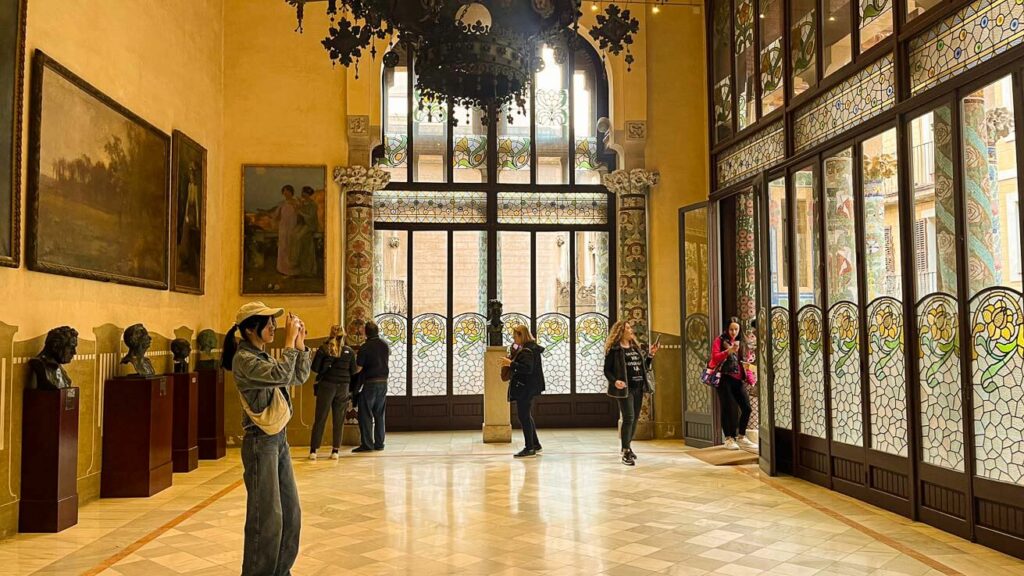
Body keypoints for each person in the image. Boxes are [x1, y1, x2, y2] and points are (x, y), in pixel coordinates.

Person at [222, 302, 310, 576]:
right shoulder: (245, 360)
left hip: (278, 440)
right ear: (250, 329)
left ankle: (280, 572)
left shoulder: (262, 355)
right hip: (261, 443)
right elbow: (282, 374)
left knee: (291, 515)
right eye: (268, 322)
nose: (274, 326)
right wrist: (287, 344)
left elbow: (297, 377)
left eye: (274, 322)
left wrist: (300, 345)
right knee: (266, 519)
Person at [604, 321, 658, 466]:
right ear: (620, 332)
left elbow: (644, 367)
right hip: (625, 389)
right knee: (628, 418)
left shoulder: (635, 348)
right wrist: (615, 381)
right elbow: (607, 370)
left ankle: (627, 446)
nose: (631, 330)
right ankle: (626, 450)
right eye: (627, 328)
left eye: (630, 328)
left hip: (638, 387)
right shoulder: (614, 350)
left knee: (634, 420)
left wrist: (651, 355)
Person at [309, 325, 356, 461]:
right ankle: (335, 450)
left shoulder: (323, 349)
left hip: (326, 386)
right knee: (339, 419)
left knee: (320, 418)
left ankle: (314, 450)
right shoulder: (349, 351)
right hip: (343, 388)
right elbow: (353, 371)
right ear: (344, 335)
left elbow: (315, 368)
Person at [500, 325, 545, 458]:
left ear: (521, 335)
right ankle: (535, 444)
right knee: (526, 415)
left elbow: (527, 368)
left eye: (515, 336)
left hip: (525, 387)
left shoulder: (526, 351)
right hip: (530, 387)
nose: (514, 339)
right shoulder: (531, 348)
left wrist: (510, 363)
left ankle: (529, 448)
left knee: (523, 416)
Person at [710, 317, 755, 451]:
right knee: (728, 408)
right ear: (726, 329)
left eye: (736, 329)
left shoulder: (743, 343)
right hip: (724, 379)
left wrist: (751, 379)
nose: (733, 332)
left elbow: (746, 363)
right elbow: (714, 357)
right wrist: (728, 351)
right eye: (731, 329)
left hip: (738, 379)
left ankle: (741, 436)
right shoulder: (720, 340)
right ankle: (729, 438)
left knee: (747, 408)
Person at [353, 321, 390, 453]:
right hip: (383, 382)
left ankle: (367, 444)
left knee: (365, 414)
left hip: (370, 383)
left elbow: (358, 368)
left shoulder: (365, 347)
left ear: (366, 332)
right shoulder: (385, 344)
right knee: (380, 414)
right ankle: (380, 443)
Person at [273, 185, 300, 276]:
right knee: (283, 246)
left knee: (291, 246)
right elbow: (276, 216)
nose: (286, 193)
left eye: (287, 191)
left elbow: (299, 214)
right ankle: (282, 268)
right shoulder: (281, 203)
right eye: (284, 191)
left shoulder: (296, 202)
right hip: (283, 227)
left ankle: (291, 268)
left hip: (292, 226)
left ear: (291, 192)